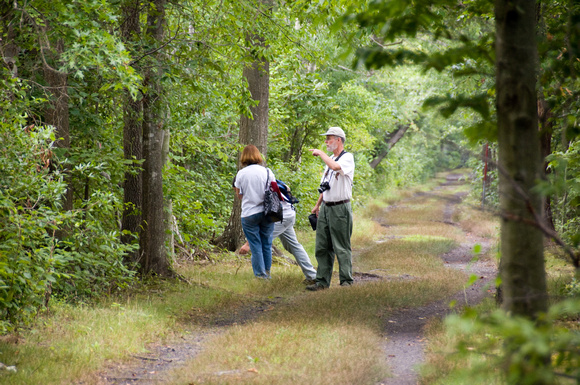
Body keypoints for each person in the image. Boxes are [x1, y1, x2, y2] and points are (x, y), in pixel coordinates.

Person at [306, 126, 355, 291]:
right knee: (322, 246)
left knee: (341, 245)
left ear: (339, 140)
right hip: (326, 208)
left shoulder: (346, 158)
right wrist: (318, 204)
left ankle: (346, 281)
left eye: (329, 138)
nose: (326, 141)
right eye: (326, 138)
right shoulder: (330, 160)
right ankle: (321, 282)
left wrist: (321, 153)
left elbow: (336, 168)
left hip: (340, 208)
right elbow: (326, 186)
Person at [238, 191, 318, 284]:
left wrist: (247, 244)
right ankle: (312, 275)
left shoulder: (257, 187)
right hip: (288, 214)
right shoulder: (268, 180)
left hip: (280, 216)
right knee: (293, 245)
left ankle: (262, 278)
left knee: (260, 245)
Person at [234, 145, 275, 279]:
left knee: (255, 244)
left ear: (244, 157)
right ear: (258, 156)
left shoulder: (241, 173)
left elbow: (239, 195)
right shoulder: (267, 171)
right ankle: (267, 272)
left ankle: (260, 275)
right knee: (266, 244)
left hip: (249, 213)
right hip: (267, 212)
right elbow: (274, 190)